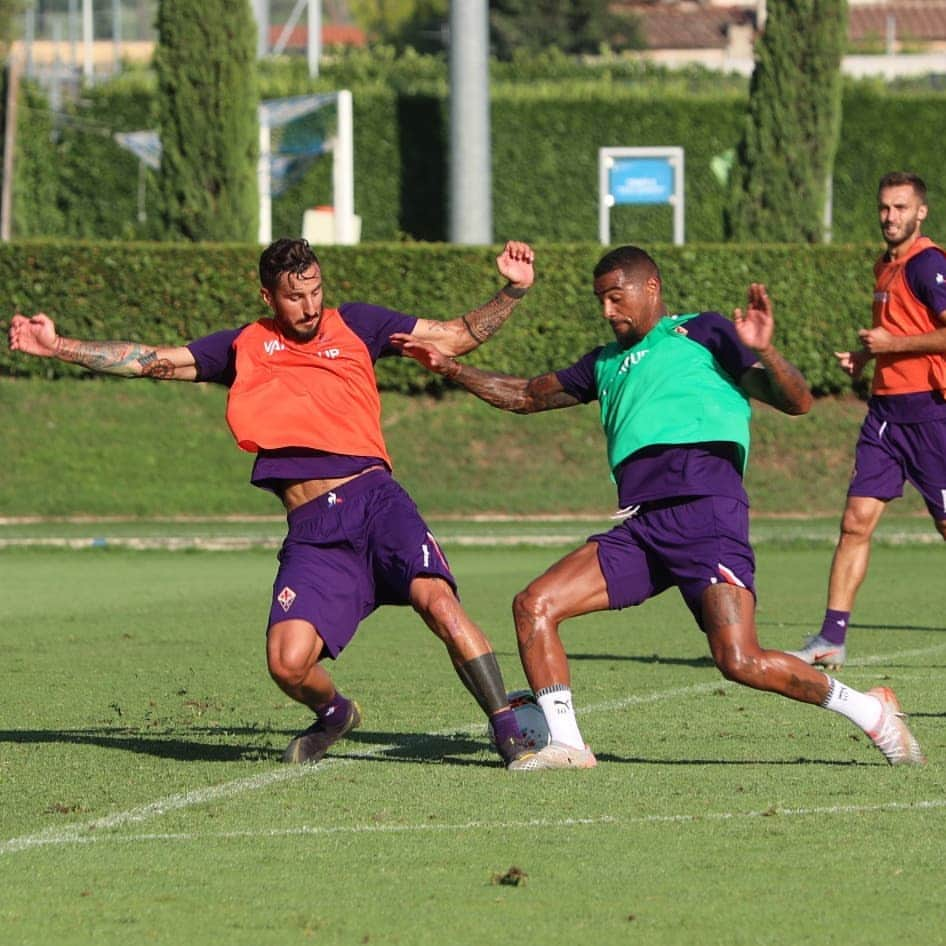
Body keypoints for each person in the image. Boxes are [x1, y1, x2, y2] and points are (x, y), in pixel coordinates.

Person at [8, 237, 540, 768]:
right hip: (313, 530)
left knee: (439, 602)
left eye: (315, 291)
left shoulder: (358, 323)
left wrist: (512, 291)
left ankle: (509, 733)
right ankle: (335, 714)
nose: (309, 306)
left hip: (375, 502)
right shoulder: (243, 346)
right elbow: (151, 361)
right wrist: (59, 348)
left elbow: (454, 336)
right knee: (287, 664)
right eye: (293, 296)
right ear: (268, 297)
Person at [393, 244, 926, 769]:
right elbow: (527, 394)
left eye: (616, 297)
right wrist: (451, 369)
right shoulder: (604, 363)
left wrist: (765, 351)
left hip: (706, 514)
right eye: (600, 300)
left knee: (739, 661)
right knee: (534, 604)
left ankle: (871, 711)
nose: (607, 312)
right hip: (642, 525)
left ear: (651, 288)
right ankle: (569, 745)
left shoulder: (705, 332)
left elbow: (798, 401)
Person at [788, 171, 946, 670]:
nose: (890, 217)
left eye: (900, 208)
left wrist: (891, 347)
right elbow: (900, 331)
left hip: (931, 414)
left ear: (920, 212)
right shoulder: (885, 265)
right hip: (885, 415)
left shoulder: (928, 264)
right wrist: (865, 358)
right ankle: (831, 637)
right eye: (884, 208)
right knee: (855, 522)